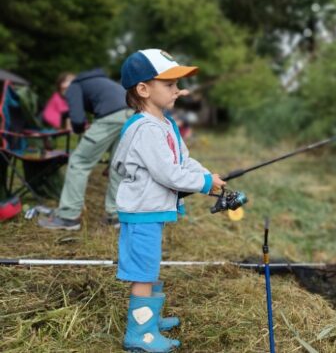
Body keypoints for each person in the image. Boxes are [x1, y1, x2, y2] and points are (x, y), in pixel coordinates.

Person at [110, 49, 225, 351]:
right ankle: (140, 334)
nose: (178, 90)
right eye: (170, 84)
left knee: (150, 266)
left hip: (153, 212)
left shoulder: (164, 123)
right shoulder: (146, 128)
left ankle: (151, 317)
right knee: (143, 272)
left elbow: (183, 161)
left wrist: (208, 177)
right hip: (141, 213)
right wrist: (203, 184)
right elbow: (168, 174)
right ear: (144, 90)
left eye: (177, 84)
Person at [38, 68, 131, 230]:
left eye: (64, 88)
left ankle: (69, 217)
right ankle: (117, 215)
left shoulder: (75, 86)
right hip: (133, 113)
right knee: (117, 165)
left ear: (69, 81)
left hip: (111, 117)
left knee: (79, 161)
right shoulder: (102, 82)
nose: (65, 91)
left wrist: (80, 129)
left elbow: (78, 119)